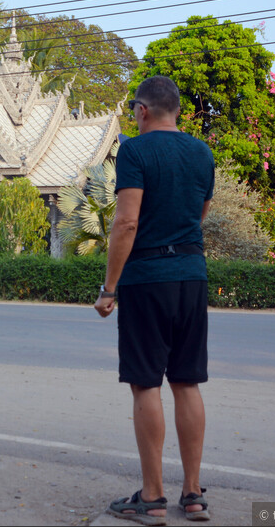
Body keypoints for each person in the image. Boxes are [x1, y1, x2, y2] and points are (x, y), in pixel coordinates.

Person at [94, 75, 214, 525]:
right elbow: (198, 215)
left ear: (142, 111)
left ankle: (153, 498)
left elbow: (126, 222)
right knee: (187, 381)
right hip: (191, 275)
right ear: (176, 110)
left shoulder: (136, 151)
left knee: (146, 383)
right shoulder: (202, 153)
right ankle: (193, 494)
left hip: (147, 279)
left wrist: (109, 288)